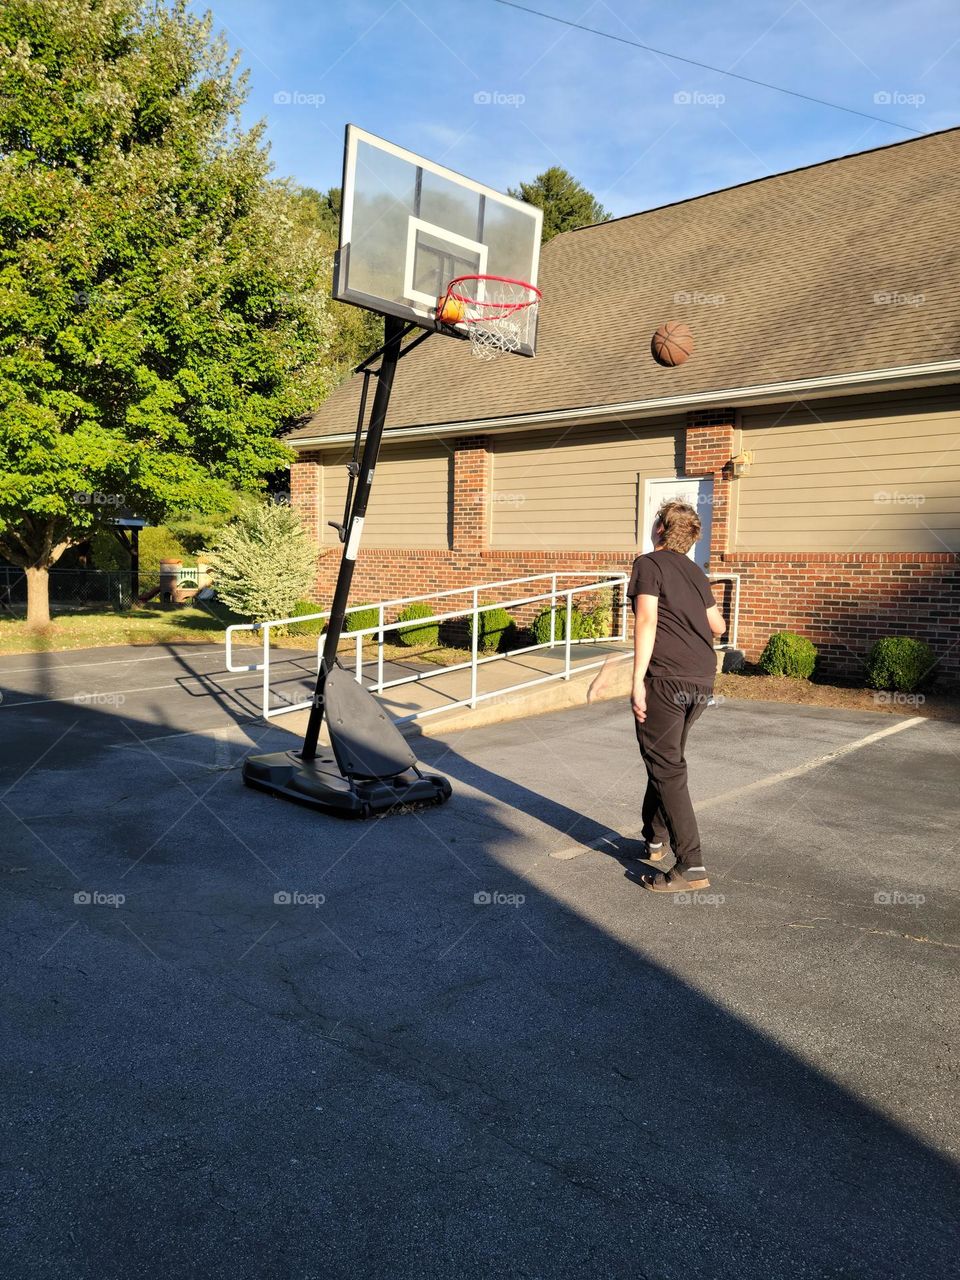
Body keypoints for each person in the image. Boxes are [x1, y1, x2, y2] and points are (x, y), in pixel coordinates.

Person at [589, 499, 726, 893]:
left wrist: (636, 681)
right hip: (700, 678)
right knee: (664, 758)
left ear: (661, 529)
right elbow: (717, 624)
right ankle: (654, 838)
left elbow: (647, 619)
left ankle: (692, 865)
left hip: (665, 679)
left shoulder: (648, 564)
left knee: (666, 766)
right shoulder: (695, 572)